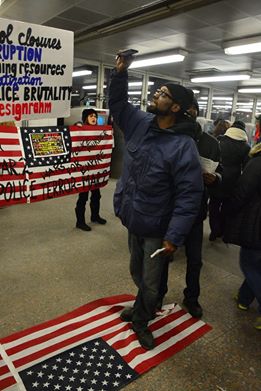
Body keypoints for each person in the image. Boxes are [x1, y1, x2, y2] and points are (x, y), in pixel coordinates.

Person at [108, 53, 203, 350]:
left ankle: (141, 320)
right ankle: (142, 306)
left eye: (163, 94)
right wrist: (120, 74)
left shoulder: (183, 145)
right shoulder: (141, 122)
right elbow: (118, 106)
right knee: (137, 272)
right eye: (157, 91)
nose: (155, 95)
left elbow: (190, 195)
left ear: (175, 107)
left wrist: (174, 236)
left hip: (157, 227)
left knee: (150, 282)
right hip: (133, 216)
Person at [181, 98, 222, 318]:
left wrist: (214, 179)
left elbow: (220, 171)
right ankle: (157, 296)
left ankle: (192, 298)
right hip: (169, 210)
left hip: (196, 211)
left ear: (195, 112)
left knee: (195, 260)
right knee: (161, 258)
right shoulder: (171, 137)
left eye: (189, 111)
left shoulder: (211, 143)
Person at [225, 141, 261, 330]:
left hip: (256, 221)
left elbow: (243, 190)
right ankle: (244, 298)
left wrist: (229, 210)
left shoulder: (258, 161)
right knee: (256, 264)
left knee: (250, 263)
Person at [208, 120, 250, 241]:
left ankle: (214, 230)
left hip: (217, 177)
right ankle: (222, 230)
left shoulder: (220, 140)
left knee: (214, 205)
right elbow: (246, 167)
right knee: (227, 206)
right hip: (233, 180)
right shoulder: (245, 146)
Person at [75, 108, 107, 231]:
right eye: (91, 116)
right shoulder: (80, 129)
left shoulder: (99, 131)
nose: (94, 118)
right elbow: (73, 133)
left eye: (95, 116)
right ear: (85, 118)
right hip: (84, 171)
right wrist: (77, 125)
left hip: (95, 170)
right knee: (83, 196)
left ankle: (95, 216)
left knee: (96, 195)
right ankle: (80, 221)